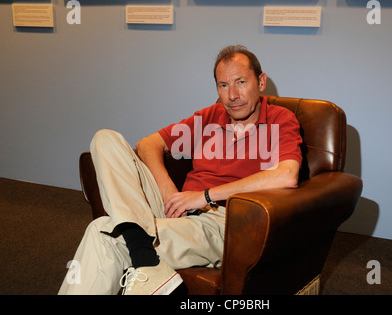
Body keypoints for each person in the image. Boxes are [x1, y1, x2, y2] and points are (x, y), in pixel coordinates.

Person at [58, 45, 303, 295]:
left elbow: (287, 174)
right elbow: (148, 144)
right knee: (105, 139)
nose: (232, 95)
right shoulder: (210, 117)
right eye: (223, 85)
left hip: (225, 221)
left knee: (101, 233)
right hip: (177, 208)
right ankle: (145, 255)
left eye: (241, 82)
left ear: (260, 82)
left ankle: (143, 255)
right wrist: (168, 191)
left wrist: (205, 195)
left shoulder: (280, 119)